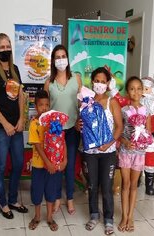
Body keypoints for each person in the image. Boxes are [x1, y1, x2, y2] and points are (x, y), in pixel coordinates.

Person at [0, 33, 28, 219]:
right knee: (1, 167)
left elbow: (21, 96)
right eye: (2, 47)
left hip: (15, 127)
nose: (6, 50)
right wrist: (6, 124)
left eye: (8, 46)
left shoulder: (15, 69)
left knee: (18, 163)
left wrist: (21, 120)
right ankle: (2, 203)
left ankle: (13, 199)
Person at [110, 76, 154, 195]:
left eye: (146, 89)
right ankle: (135, 180)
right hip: (133, 142)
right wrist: (112, 86)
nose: (144, 93)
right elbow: (120, 100)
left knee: (152, 161)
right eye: (142, 89)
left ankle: (149, 184)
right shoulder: (130, 104)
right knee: (134, 161)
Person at [78, 67, 123, 234]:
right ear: (92, 82)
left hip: (108, 152)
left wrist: (109, 142)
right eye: (96, 81)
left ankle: (109, 219)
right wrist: (78, 125)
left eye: (103, 81)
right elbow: (80, 124)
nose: (99, 84)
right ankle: (94, 215)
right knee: (92, 185)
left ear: (108, 84)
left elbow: (119, 127)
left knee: (106, 186)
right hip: (90, 153)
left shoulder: (113, 102)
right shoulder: (84, 102)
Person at [44, 44, 82, 215]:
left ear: (68, 58)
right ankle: (57, 196)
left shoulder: (77, 78)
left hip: (73, 128)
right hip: (55, 132)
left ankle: (71, 198)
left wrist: (79, 121)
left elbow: (83, 104)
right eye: (57, 57)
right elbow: (45, 109)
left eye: (63, 56)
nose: (60, 60)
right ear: (53, 61)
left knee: (70, 164)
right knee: (58, 165)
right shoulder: (48, 83)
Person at [117, 76, 153, 232]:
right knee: (125, 185)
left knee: (133, 186)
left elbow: (149, 133)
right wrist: (125, 142)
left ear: (143, 91)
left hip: (139, 154)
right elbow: (118, 132)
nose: (136, 92)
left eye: (139, 88)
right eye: (132, 88)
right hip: (125, 152)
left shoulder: (147, 111)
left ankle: (131, 216)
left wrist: (142, 140)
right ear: (127, 91)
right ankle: (123, 216)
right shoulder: (123, 110)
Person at [28, 90, 67, 232]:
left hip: (53, 166)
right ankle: (37, 216)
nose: (44, 108)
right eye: (40, 105)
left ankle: (50, 217)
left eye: (46, 105)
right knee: (37, 192)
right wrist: (48, 163)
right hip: (39, 166)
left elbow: (62, 141)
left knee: (51, 192)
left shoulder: (54, 122)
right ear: (35, 106)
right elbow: (37, 146)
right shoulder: (34, 124)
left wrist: (65, 159)